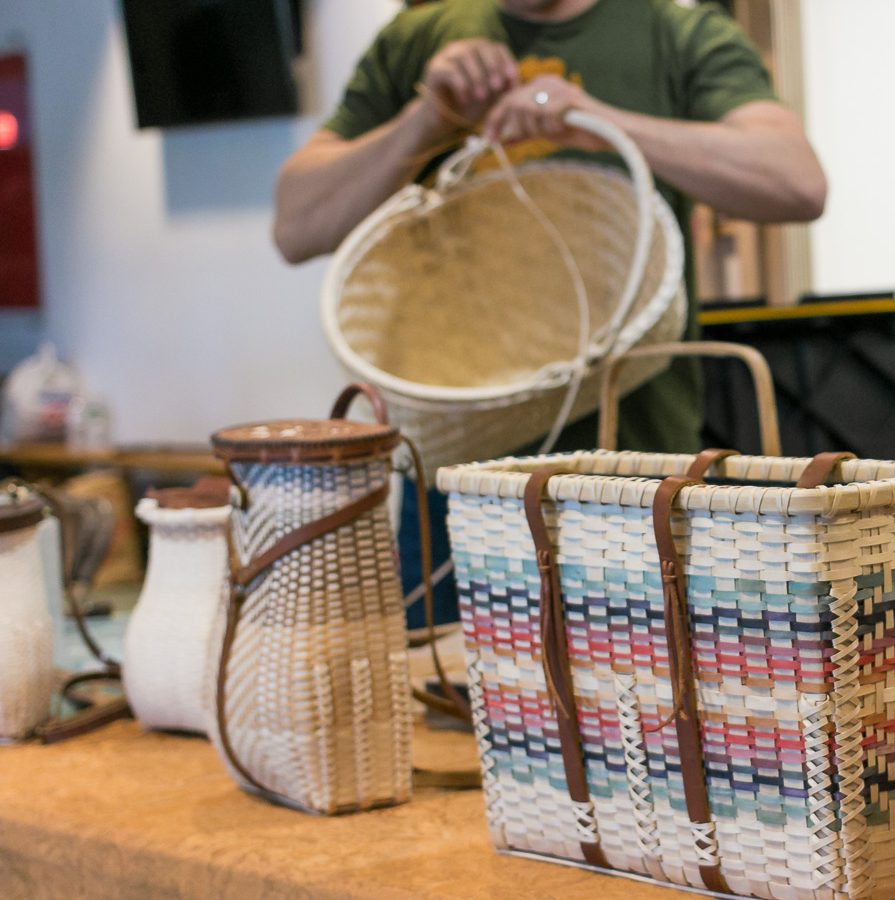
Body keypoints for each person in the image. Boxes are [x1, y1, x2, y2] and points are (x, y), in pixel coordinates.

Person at [270, 0, 827, 626]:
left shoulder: (675, 31)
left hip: (637, 479)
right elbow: (296, 226)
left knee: (645, 709)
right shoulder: (420, 40)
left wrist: (598, 119)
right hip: (453, 487)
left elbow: (796, 181)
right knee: (447, 705)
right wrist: (425, 120)